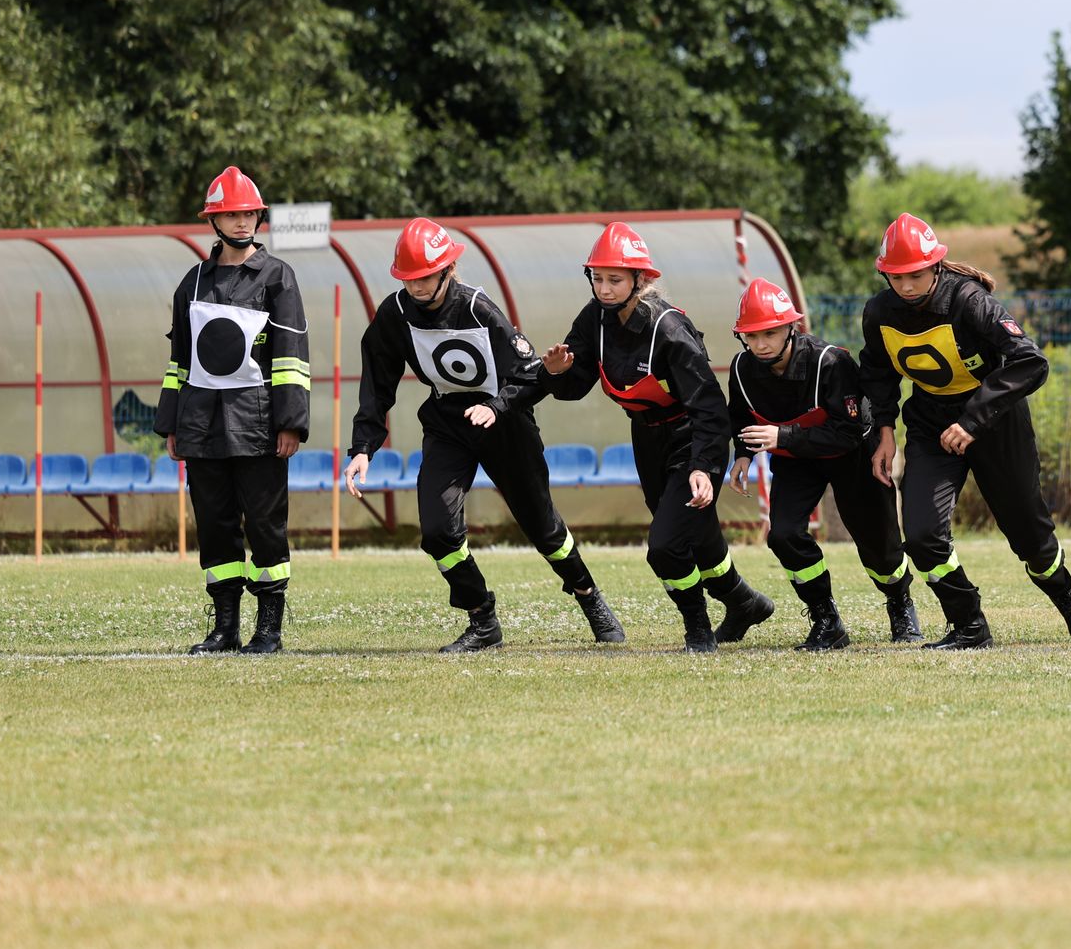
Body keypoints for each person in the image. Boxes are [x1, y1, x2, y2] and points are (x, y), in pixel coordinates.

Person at [342, 218, 621, 652]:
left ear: (448, 270)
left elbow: (531, 376)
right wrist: (363, 447)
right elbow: (377, 382)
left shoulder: (479, 309)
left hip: (506, 422)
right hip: (447, 425)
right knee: (437, 531)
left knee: (542, 526)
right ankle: (482, 620)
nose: (415, 286)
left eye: (425, 277)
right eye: (408, 278)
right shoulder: (394, 313)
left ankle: (589, 597)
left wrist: (496, 406)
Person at [858, 212, 1071, 650]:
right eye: (896, 277)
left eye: (915, 275)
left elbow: (1030, 361)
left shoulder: (968, 300)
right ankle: (969, 624)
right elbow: (876, 372)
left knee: (1028, 534)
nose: (906, 286)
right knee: (922, 537)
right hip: (930, 424)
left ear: (936, 266)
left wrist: (972, 421)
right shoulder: (878, 312)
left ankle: (1066, 595)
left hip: (995, 422)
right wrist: (885, 431)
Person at [540, 222, 774, 653]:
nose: (604, 289)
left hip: (692, 437)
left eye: (614, 279)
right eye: (597, 278)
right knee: (696, 535)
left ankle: (697, 629)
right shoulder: (594, 319)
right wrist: (557, 373)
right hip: (647, 439)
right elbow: (575, 384)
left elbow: (710, 408)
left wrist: (703, 466)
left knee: (665, 546)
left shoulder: (669, 330)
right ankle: (744, 603)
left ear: (640, 279)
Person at [155, 165, 309, 655]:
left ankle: (269, 630)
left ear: (258, 219)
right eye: (231, 214)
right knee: (215, 525)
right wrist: (171, 422)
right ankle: (224, 629)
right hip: (200, 424)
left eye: (249, 214)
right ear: (214, 221)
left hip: (259, 425)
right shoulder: (194, 281)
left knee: (264, 524)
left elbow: (290, 358)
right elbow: (179, 360)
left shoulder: (278, 277)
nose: (242, 222)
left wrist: (291, 423)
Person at [726, 277, 922, 650]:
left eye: (770, 333)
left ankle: (900, 602)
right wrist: (744, 454)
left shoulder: (831, 362)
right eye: (751, 336)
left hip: (852, 456)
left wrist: (783, 436)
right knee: (783, 535)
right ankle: (826, 620)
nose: (760, 344)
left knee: (879, 544)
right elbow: (740, 416)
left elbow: (848, 433)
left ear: (791, 327)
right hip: (796, 461)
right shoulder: (741, 369)